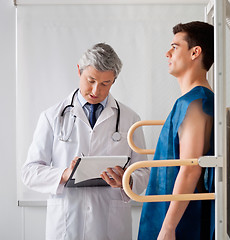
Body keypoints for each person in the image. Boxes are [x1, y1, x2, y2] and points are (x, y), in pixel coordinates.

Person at [22, 43, 150, 240]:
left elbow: (144, 172)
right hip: (67, 224)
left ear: (114, 80)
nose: (96, 90)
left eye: (105, 83)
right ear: (79, 71)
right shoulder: (52, 117)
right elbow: (30, 172)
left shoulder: (130, 119)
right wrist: (64, 174)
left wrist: (128, 180)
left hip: (110, 226)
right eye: (90, 80)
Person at [138, 21, 215, 240]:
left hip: (181, 223)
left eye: (175, 46)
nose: (167, 53)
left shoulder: (196, 103)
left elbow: (190, 168)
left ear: (195, 52)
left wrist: (168, 227)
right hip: (170, 212)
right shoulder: (189, 102)